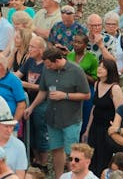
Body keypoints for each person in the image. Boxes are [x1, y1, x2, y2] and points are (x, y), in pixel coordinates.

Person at [24, 46, 90, 178]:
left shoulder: (76, 71)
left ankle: (74, 176)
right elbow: (43, 90)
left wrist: (65, 95)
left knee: (72, 153)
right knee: (56, 150)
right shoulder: (47, 69)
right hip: (52, 118)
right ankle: (59, 176)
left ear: (58, 60)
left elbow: (86, 95)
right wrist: (31, 107)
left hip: (70, 119)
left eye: (49, 65)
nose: (47, 68)